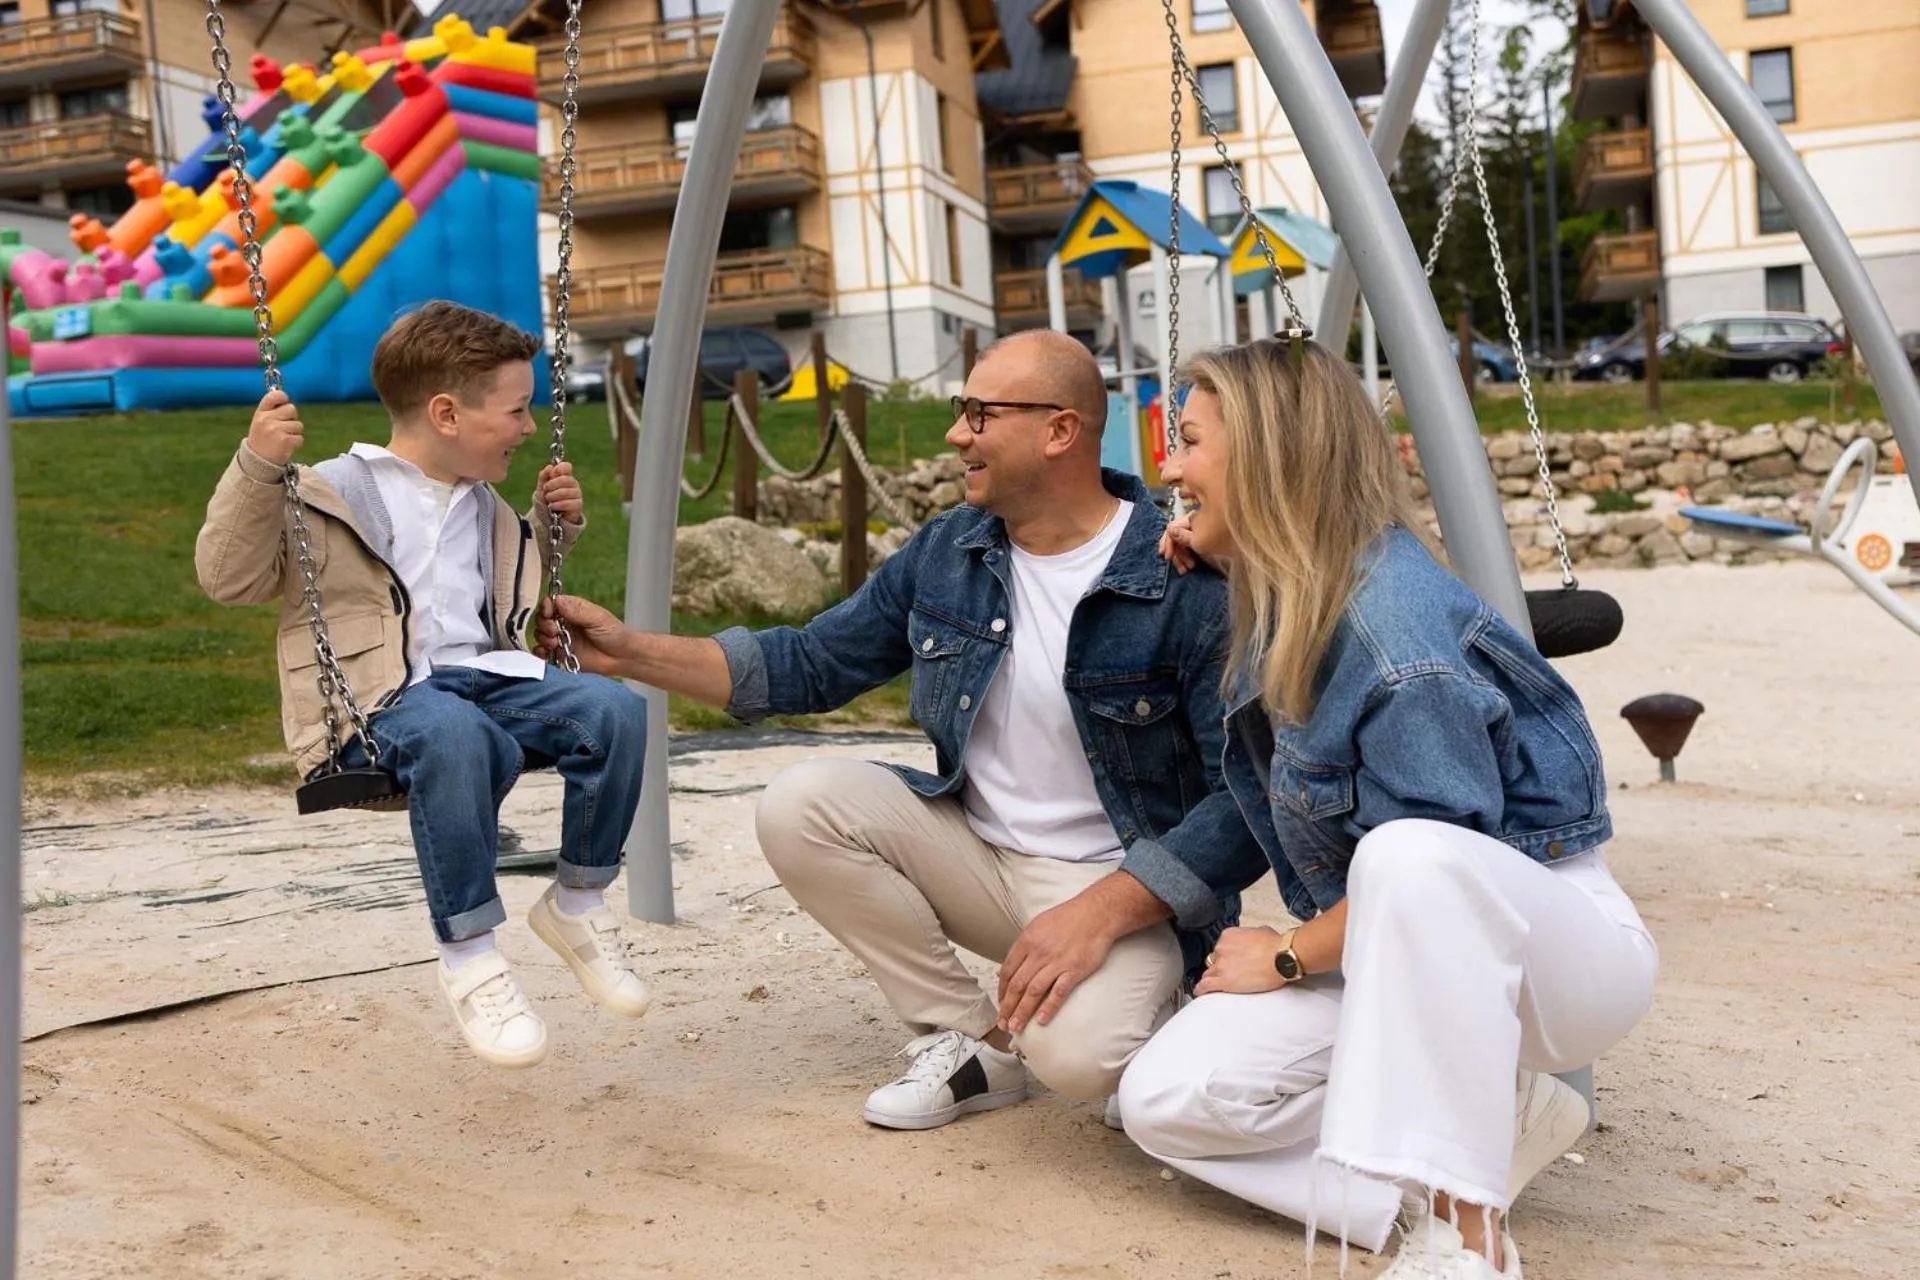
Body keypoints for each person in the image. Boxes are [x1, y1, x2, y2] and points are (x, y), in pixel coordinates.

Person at [539, 329, 1268, 1130]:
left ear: (1060, 431)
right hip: (979, 855)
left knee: (1081, 1062)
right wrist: (628, 653)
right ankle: (973, 1042)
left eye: (980, 414)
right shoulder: (950, 551)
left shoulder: (1184, 576)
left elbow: (1242, 803)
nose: (957, 434)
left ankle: (1156, 999)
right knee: (802, 803)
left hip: (1118, 884)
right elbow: (810, 663)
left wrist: (1100, 913)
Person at [1114, 336, 1659, 1279]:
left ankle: (1467, 1231)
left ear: (1271, 457)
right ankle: (1480, 1136)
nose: (1169, 465)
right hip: (1390, 953)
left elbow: (1445, 886)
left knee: (1411, 853)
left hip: (1548, 965)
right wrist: (1218, 559)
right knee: (1161, 1100)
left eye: (1191, 441)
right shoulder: (1286, 595)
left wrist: (1285, 955)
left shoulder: (1396, 639)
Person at [195, 300, 654, 1070]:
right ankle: (472, 955)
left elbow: (491, 593)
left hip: (488, 678)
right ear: (446, 413)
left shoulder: (487, 503)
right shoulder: (322, 492)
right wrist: (256, 465)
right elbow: (226, 578)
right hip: (382, 702)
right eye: (513, 410)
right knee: (453, 734)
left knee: (613, 710)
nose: (526, 427)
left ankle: (576, 905)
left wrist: (550, 530)